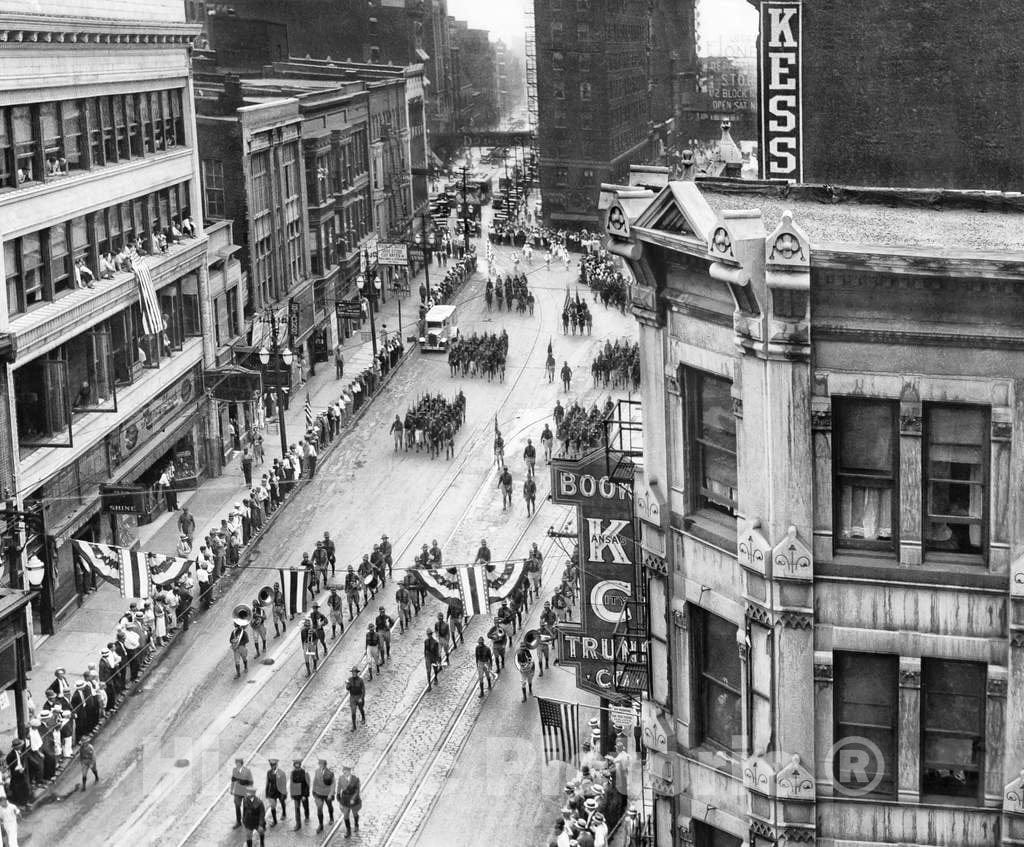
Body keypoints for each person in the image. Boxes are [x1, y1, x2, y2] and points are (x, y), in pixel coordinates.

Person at [337, 762, 361, 838]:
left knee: (355, 813)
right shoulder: (341, 778)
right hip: (345, 800)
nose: (344, 772)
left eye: (346, 771)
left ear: (350, 771)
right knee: (346, 816)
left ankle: (356, 824)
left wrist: (353, 799)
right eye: (343, 771)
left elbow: (357, 790)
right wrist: (339, 799)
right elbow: (339, 788)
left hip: (353, 800)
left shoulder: (355, 779)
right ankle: (348, 830)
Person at [312, 758, 336, 833]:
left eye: (322, 764)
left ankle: (331, 817)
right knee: (319, 808)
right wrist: (314, 791)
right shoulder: (317, 771)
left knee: (329, 805)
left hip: (327, 793)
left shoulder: (330, 773)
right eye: (319, 764)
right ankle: (321, 825)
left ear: (325, 765)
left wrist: (330, 794)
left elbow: (333, 784)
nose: (320, 766)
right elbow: (315, 781)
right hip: (319, 793)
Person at [230, 756, 254, 828]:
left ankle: (245, 820)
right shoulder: (234, 770)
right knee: (237, 805)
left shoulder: (247, 771)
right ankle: (238, 821)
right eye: (236, 763)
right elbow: (233, 780)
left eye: (238, 763)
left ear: (241, 763)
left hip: (245, 791)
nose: (237, 764)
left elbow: (251, 782)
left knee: (245, 806)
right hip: (237, 791)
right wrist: (231, 789)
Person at [265, 758, 288, 826]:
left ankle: (284, 813)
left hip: (280, 791)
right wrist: (267, 792)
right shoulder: (269, 772)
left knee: (282, 802)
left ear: (276, 765)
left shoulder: (281, 773)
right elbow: (267, 782)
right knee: (272, 806)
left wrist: (284, 793)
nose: (272, 766)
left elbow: (284, 783)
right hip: (272, 791)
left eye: (274, 765)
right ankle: (275, 821)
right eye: (271, 765)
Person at [289, 759, 311, 830]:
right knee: (297, 809)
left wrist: (305, 795)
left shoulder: (304, 772)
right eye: (295, 765)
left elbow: (307, 784)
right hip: (296, 794)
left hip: (303, 792)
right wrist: (292, 794)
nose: (297, 766)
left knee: (305, 806)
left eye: (298, 765)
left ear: (300, 765)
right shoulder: (292, 773)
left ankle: (307, 817)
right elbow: (292, 784)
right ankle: (298, 824)